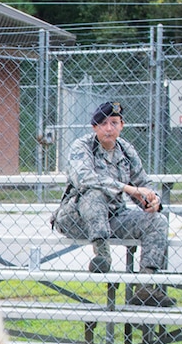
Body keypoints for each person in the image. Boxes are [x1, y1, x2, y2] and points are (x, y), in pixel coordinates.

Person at [53, 99, 174, 307]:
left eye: (114, 122)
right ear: (94, 127)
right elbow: (85, 180)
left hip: (114, 218)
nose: (109, 128)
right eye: (103, 123)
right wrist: (129, 189)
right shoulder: (82, 146)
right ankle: (102, 257)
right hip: (76, 217)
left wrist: (153, 199)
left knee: (158, 220)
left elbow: (143, 182)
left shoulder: (126, 150)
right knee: (94, 194)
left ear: (122, 125)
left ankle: (145, 287)